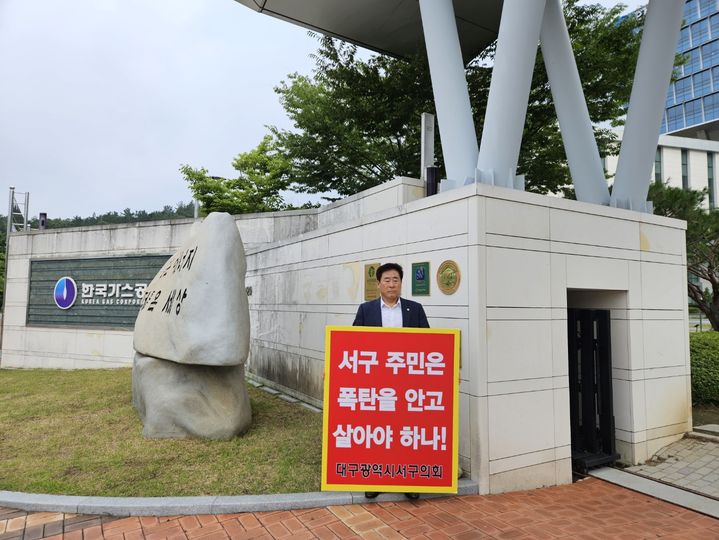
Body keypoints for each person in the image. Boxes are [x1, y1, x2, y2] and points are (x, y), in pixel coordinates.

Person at [353, 262, 429, 500]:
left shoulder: (415, 309)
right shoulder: (366, 310)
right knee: (378, 431)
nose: (391, 284)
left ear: (401, 283)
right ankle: (375, 478)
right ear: (378, 284)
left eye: (395, 279)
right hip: (377, 385)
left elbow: (430, 344)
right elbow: (352, 344)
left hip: (407, 386)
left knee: (405, 431)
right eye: (387, 280)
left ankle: (408, 480)